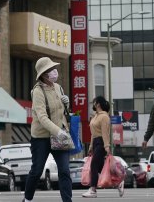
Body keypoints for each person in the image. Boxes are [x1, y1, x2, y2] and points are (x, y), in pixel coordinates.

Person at [23, 57, 73, 202]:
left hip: (60, 136)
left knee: (64, 171)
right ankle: (27, 199)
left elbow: (63, 112)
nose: (54, 72)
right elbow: (42, 117)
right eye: (50, 70)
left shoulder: (58, 87)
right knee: (37, 171)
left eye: (54, 68)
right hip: (41, 137)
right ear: (44, 74)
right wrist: (58, 132)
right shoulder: (37, 91)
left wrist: (67, 104)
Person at [82, 96, 125, 198]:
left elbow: (105, 133)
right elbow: (93, 133)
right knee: (102, 168)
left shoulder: (104, 117)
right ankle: (118, 183)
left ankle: (93, 190)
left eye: (94, 102)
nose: (93, 104)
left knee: (93, 165)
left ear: (98, 104)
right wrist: (91, 146)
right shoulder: (95, 116)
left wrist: (106, 146)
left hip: (101, 143)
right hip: (96, 142)